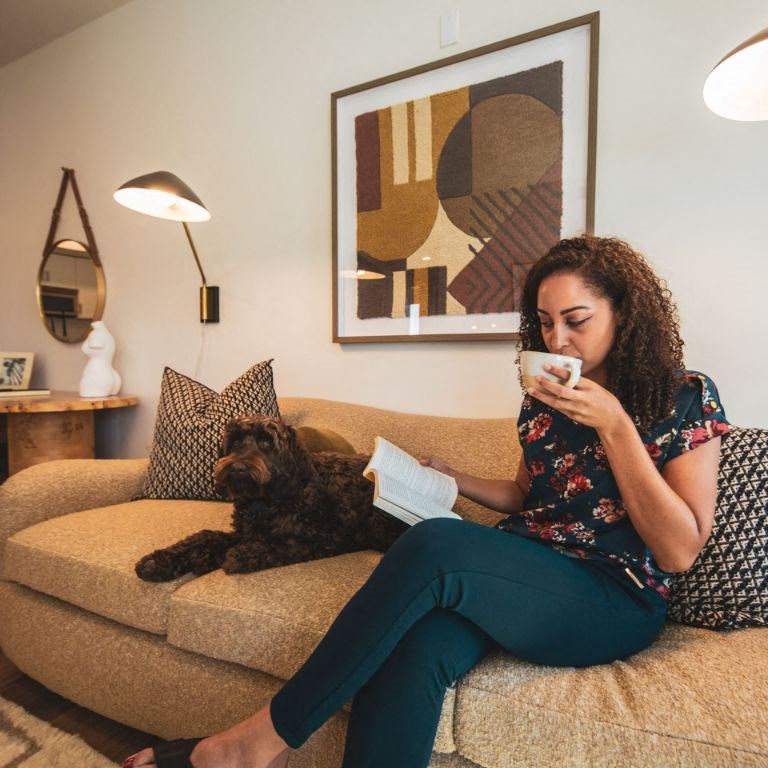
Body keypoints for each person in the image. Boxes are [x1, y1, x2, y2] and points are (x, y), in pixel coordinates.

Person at [124, 235, 729, 768]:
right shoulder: (544, 400)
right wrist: (449, 477)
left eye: (576, 321)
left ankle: (255, 743)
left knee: (436, 541)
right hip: (529, 573)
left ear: (624, 313)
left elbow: (678, 551)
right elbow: (525, 496)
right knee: (414, 644)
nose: (558, 341)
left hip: (613, 599)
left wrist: (616, 425)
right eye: (545, 323)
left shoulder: (684, 397)